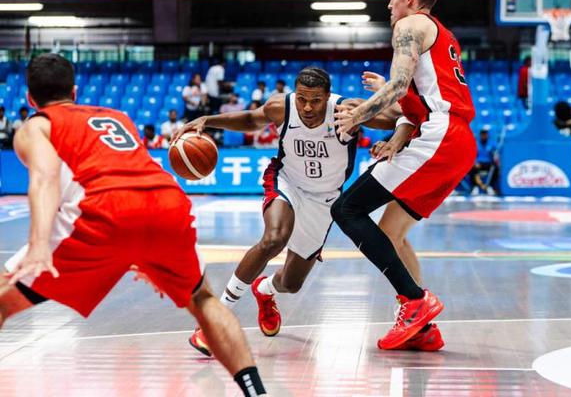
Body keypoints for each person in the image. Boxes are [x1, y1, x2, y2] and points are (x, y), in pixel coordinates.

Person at [0, 54, 267, 397]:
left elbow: (45, 177)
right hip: (166, 204)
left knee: (4, 297)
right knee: (202, 299)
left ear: (29, 98)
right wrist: (143, 253)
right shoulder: (117, 117)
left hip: (104, 211)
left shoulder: (36, 126)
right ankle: (256, 391)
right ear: (75, 91)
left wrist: (39, 244)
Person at [174, 67, 441, 356]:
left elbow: (404, 117)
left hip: (324, 201)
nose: (307, 108)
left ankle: (265, 290)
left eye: (315, 101)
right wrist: (208, 120)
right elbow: (252, 119)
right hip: (287, 182)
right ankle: (213, 323)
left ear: (328, 97)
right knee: (274, 238)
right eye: (302, 99)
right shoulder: (282, 107)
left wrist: (394, 137)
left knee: (291, 283)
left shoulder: (348, 111)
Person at [332, 0, 476, 351]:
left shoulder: (410, 25)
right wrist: (393, 132)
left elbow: (398, 87)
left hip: (440, 137)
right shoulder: (442, 36)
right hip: (454, 141)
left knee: (347, 209)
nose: (389, 4)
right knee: (390, 233)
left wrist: (357, 115)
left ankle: (414, 301)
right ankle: (422, 327)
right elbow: (413, 106)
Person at [471, 128, 499, 195]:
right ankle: (475, 187)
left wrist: (494, 155)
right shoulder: (475, 143)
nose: (484, 136)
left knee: (496, 169)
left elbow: (496, 152)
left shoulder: (491, 143)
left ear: (487, 135)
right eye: (482, 134)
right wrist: (475, 162)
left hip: (488, 163)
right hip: (478, 163)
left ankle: (490, 187)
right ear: (480, 135)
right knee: (472, 168)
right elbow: (472, 155)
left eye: (485, 134)